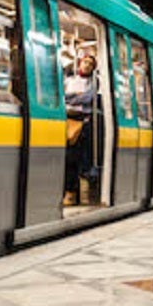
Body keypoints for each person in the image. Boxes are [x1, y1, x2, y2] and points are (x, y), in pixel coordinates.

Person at [63, 53, 103, 206]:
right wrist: (75, 96)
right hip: (67, 119)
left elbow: (88, 98)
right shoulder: (69, 79)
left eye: (90, 64)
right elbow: (63, 96)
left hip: (82, 122)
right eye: (85, 62)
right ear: (79, 63)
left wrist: (72, 97)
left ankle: (73, 193)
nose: (87, 65)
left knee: (75, 158)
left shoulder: (94, 82)